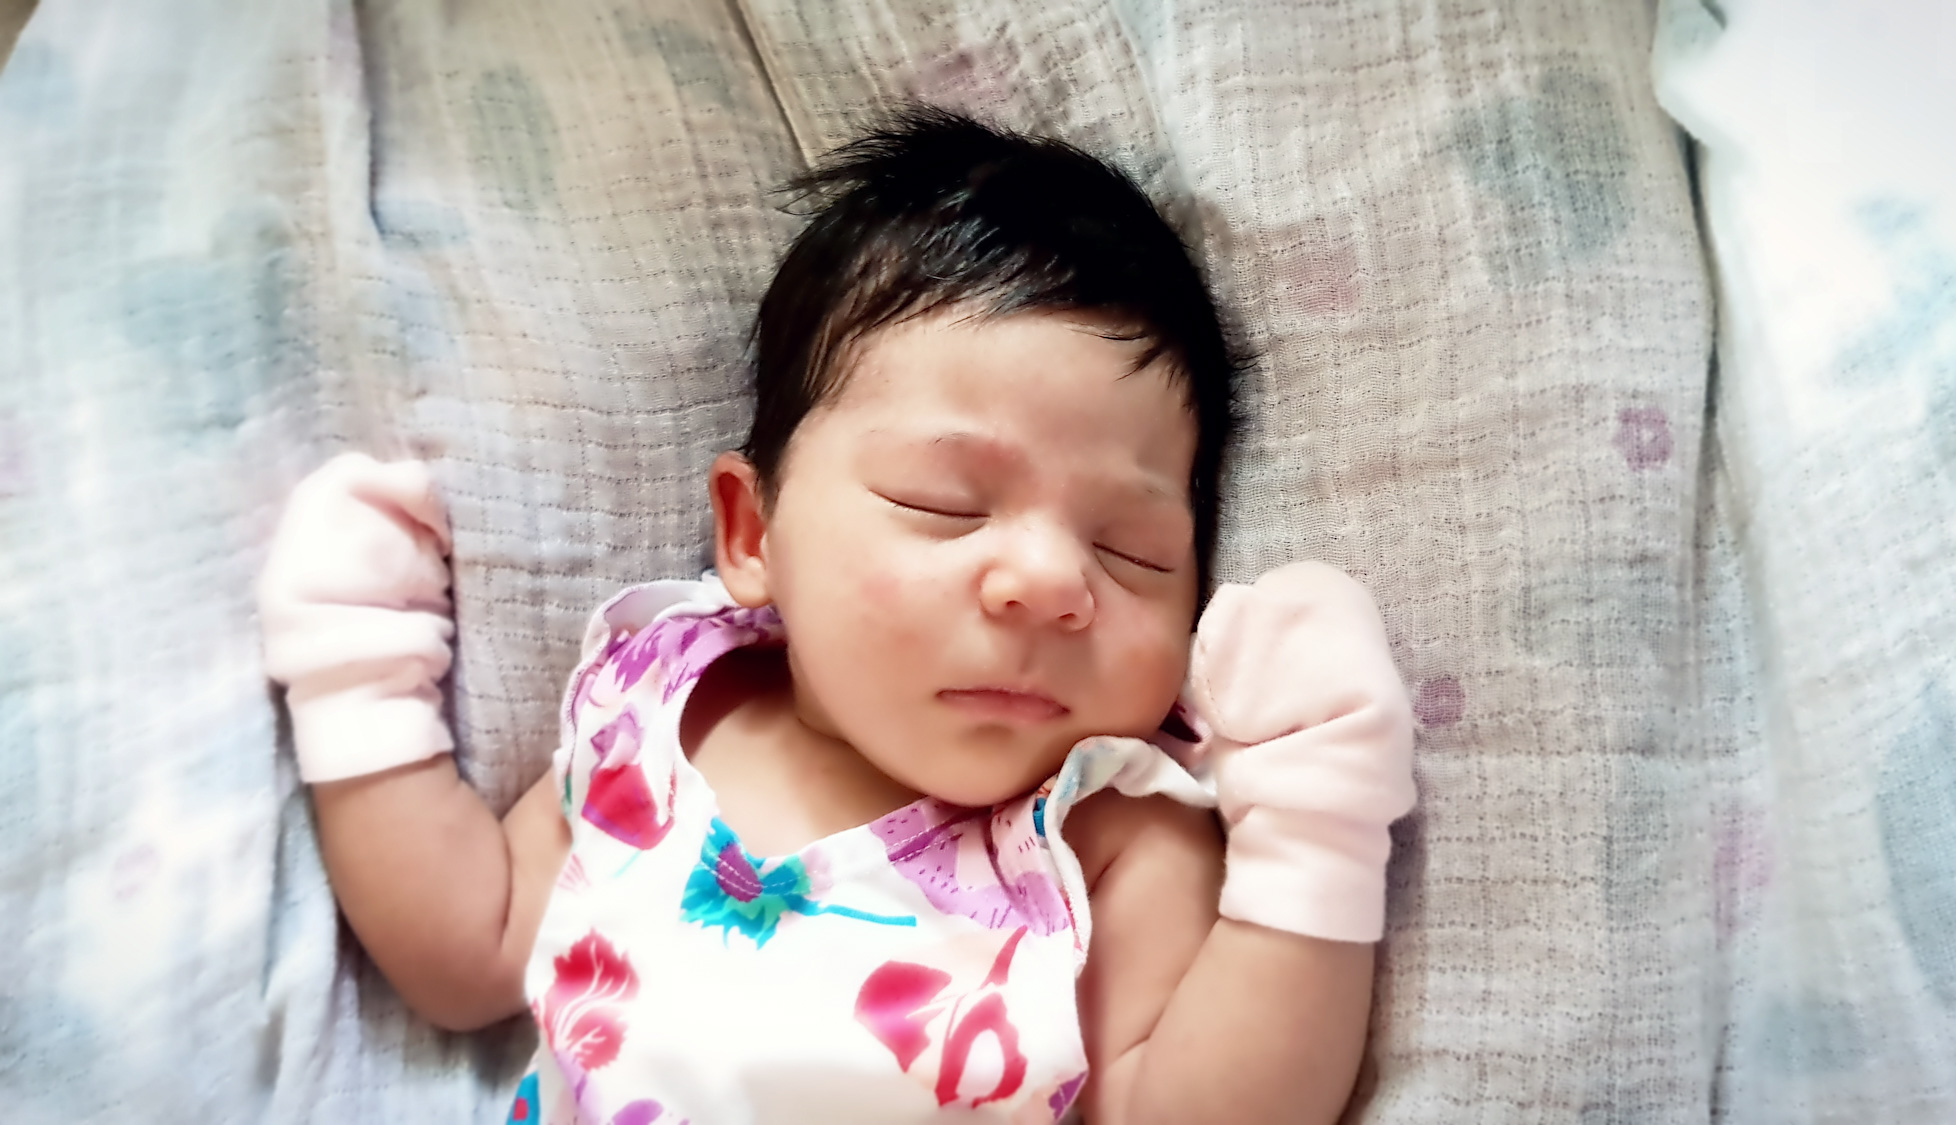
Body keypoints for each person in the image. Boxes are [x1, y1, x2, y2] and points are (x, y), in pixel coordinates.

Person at [256, 108, 1416, 1125]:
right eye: (943, 503)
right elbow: (466, 951)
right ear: (752, 535)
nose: (1049, 582)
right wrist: (359, 680)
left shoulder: (1109, 838)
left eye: (1131, 552)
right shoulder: (668, 718)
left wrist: (1313, 831)